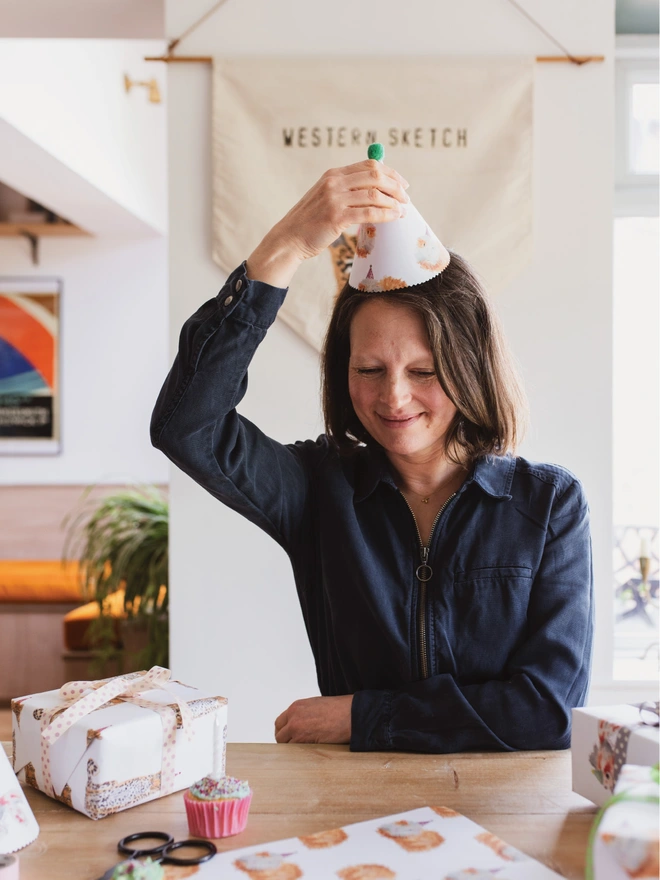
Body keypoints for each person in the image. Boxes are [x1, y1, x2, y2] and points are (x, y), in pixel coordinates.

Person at [151, 157, 593, 753]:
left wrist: (363, 717)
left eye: (424, 370)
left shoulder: (549, 504)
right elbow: (187, 426)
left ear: (470, 369)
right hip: (356, 810)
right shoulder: (316, 488)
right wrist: (283, 247)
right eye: (369, 369)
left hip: (507, 811)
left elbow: (548, 710)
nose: (393, 397)